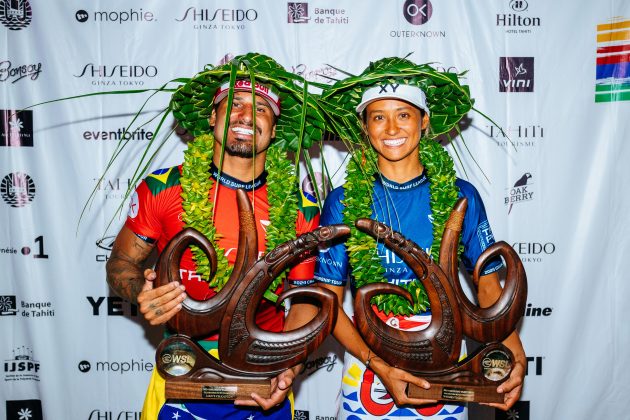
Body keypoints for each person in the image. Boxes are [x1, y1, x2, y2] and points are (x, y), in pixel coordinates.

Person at [302, 57, 527, 419]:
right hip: (369, 364)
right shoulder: (343, 200)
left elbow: (488, 289)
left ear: (424, 122)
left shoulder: (460, 194)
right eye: (378, 117)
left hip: (444, 361)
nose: (391, 127)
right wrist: (379, 365)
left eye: (404, 115)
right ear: (365, 127)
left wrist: (512, 350)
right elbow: (328, 303)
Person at [105, 53, 324, 420]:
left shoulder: (300, 206)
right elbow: (122, 263)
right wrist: (139, 291)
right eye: (233, 104)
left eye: (261, 110)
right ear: (212, 118)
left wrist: (289, 365)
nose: (245, 116)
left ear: (274, 129)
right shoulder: (164, 187)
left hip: (265, 378)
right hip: (181, 373)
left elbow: (304, 301)